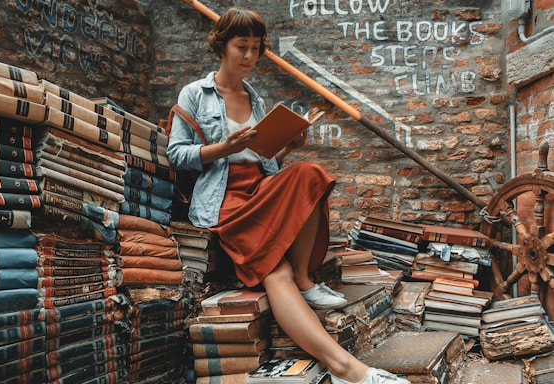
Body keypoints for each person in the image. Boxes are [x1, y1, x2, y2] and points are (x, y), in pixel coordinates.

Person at [166, 8, 410, 384]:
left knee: (310, 174)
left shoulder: (255, 98)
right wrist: (224, 147)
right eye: (241, 46)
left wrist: (286, 149)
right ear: (222, 45)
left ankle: (304, 278)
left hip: (259, 189)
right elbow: (177, 154)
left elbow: (265, 162)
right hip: (224, 200)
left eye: (255, 48)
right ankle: (352, 372)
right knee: (273, 272)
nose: (248, 56)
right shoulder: (196, 93)